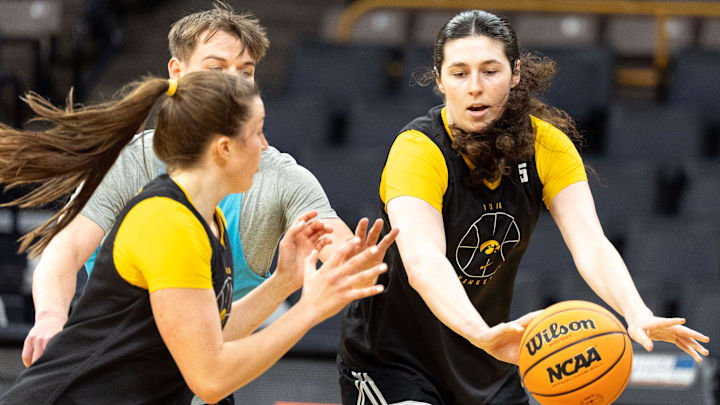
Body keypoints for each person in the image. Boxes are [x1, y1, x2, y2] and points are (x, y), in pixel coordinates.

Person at [338, 10, 710, 405]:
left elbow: (591, 244)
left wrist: (636, 312)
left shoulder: (546, 146)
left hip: (488, 357)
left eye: (490, 71)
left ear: (515, 73)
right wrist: (478, 332)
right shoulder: (417, 150)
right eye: (460, 73)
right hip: (395, 358)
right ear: (440, 78)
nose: (475, 87)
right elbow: (424, 261)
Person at [0, 71, 395, 404]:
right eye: (257, 133)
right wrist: (308, 310)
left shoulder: (210, 219)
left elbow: (209, 337)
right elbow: (210, 379)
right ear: (224, 149)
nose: (265, 146)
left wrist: (283, 283)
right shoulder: (168, 222)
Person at [22, 1, 362, 368]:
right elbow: (66, 249)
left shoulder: (281, 177)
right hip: (107, 376)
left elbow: (344, 256)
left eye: (244, 72)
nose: (232, 82)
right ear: (177, 72)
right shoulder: (133, 163)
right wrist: (50, 319)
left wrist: (355, 266)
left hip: (202, 376)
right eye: (215, 67)